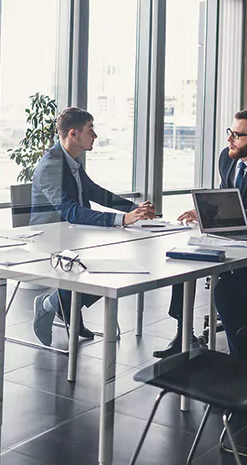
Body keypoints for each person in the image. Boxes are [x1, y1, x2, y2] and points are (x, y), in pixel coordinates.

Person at [153, 109, 247, 358]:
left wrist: (217, 217)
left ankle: (245, 349)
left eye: (236, 135)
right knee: (186, 258)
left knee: (231, 286)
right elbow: (225, 198)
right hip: (228, 232)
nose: (229, 140)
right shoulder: (227, 158)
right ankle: (184, 334)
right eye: (230, 133)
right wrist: (204, 212)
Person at [30, 107, 156, 346]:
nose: (95, 136)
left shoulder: (72, 161)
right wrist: (122, 220)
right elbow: (71, 211)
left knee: (110, 267)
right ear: (73, 134)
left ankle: (63, 305)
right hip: (50, 239)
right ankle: (51, 304)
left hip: (73, 235)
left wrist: (134, 208)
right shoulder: (51, 166)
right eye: (90, 130)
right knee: (103, 269)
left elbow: (95, 192)